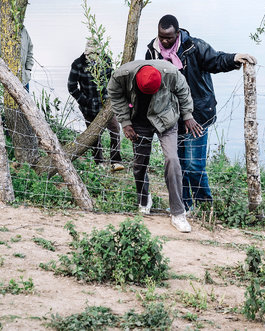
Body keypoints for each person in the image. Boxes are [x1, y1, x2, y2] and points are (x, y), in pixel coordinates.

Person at [145, 14, 256, 211]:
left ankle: (205, 207)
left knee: (195, 166)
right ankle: (185, 206)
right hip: (172, 118)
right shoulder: (152, 53)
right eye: (161, 36)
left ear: (177, 34)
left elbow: (216, 61)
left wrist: (234, 58)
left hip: (197, 116)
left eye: (169, 37)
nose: (164, 41)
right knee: (178, 166)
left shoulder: (194, 47)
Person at [107, 59, 202, 233]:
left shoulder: (171, 73)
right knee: (140, 163)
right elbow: (115, 94)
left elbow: (183, 91)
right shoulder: (121, 75)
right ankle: (144, 198)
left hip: (166, 119)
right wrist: (125, 122)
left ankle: (178, 213)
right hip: (139, 122)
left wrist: (187, 114)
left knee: (173, 160)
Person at [67, 39, 124, 171]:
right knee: (94, 136)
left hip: (106, 106)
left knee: (115, 130)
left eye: (96, 53)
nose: (93, 56)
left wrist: (111, 98)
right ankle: (98, 163)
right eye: (90, 53)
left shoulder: (106, 61)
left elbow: (113, 81)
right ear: (86, 52)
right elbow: (71, 87)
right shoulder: (78, 64)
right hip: (88, 108)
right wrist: (84, 100)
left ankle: (116, 161)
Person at [0, 26, 34, 91]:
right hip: (7, 79)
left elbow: (30, 50)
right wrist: (2, 74)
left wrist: (28, 69)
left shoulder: (23, 31)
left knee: (26, 100)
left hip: (24, 78)